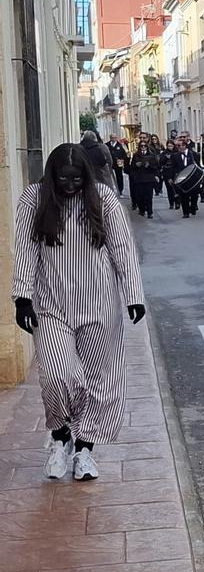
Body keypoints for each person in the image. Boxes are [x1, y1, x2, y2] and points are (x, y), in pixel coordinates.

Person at [11, 143, 145, 482]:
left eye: (75, 178)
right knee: (57, 375)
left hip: (100, 304)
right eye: (62, 178)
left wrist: (134, 296)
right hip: (50, 304)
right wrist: (21, 297)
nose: (69, 185)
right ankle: (60, 438)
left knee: (101, 381)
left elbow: (122, 250)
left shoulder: (103, 199)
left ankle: (85, 449)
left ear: (85, 176)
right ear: (51, 176)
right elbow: (25, 249)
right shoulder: (34, 199)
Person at [169, 138, 201, 218]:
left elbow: (198, 166)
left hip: (193, 178)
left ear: (185, 145)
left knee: (194, 195)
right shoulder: (175, 156)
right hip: (181, 179)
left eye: (179, 145)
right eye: (176, 146)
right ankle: (185, 212)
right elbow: (172, 168)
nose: (178, 147)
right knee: (183, 195)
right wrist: (171, 177)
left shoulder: (193, 154)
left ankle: (193, 207)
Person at [127, 136, 158, 218]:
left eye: (145, 146)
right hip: (139, 179)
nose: (143, 147)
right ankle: (142, 209)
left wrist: (149, 166)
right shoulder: (136, 155)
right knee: (140, 197)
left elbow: (155, 168)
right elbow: (131, 168)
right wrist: (136, 165)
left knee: (149, 196)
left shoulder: (151, 155)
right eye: (141, 146)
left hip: (148, 178)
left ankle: (150, 212)